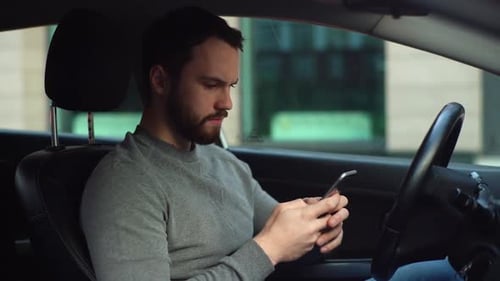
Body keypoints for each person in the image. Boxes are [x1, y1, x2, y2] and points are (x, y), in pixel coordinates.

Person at [80, 6, 462, 281]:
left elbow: (278, 230)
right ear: (160, 81)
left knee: (442, 272)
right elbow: (268, 248)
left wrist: (316, 228)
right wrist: (267, 249)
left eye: (230, 86)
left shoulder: (222, 162)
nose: (226, 103)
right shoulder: (125, 183)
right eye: (211, 85)